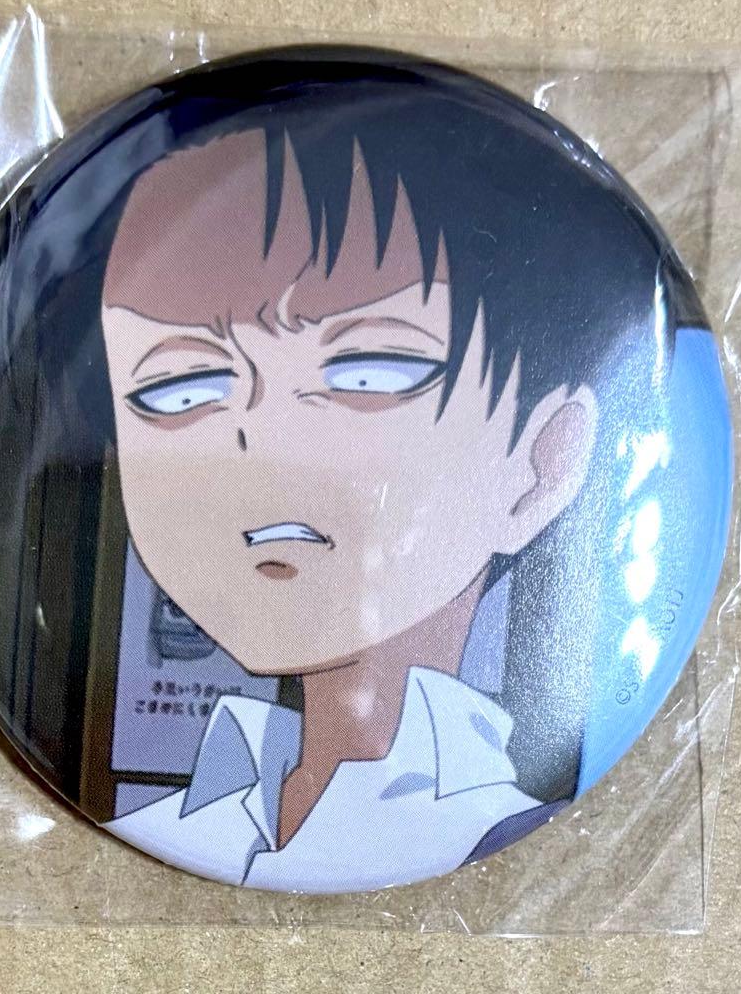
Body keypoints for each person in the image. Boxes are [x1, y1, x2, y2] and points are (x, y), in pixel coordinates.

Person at [96, 72, 682, 891]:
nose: (262, 446)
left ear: (542, 465)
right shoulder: (165, 829)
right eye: (180, 390)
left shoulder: (493, 828)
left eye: (369, 371)